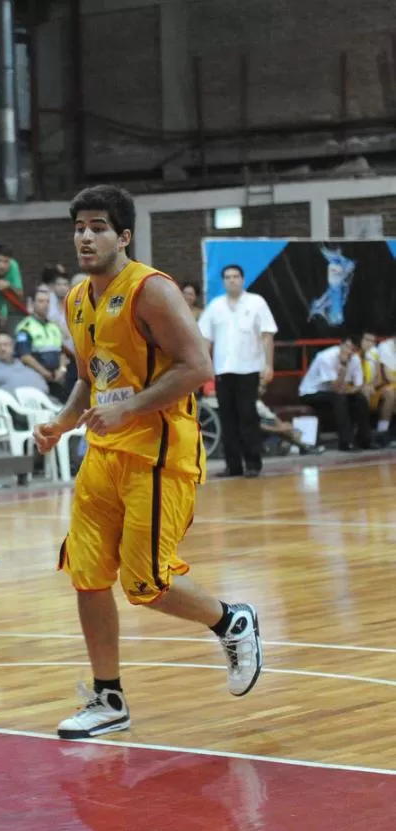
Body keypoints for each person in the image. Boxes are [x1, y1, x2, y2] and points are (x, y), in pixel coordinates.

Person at [34, 185, 262, 740]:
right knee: (87, 576)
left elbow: (195, 366)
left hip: (158, 454)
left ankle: (231, 620)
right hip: (103, 455)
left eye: (98, 227)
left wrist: (132, 408)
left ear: (124, 235)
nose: (86, 236)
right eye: (80, 227)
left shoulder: (151, 290)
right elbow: (90, 381)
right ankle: (107, 697)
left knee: (146, 584)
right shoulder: (76, 300)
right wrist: (63, 422)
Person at [198, 264, 277, 478]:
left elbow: (267, 335)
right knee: (228, 419)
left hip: (249, 370)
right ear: (223, 281)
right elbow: (205, 339)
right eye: (227, 277)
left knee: (248, 416)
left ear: (242, 279)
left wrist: (268, 364)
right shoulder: (215, 306)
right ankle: (233, 466)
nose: (231, 280)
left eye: (235, 276)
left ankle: (253, 463)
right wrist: (204, 367)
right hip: (223, 370)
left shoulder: (256, 302)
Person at [297, 337, 372, 451]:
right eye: (347, 347)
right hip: (311, 392)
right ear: (340, 345)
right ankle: (345, 442)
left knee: (360, 398)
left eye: (353, 349)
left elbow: (358, 385)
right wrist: (343, 365)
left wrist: (349, 391)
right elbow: (336, 387)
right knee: (339, 398)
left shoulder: (355, 359)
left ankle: (365, 440)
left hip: (337, 392)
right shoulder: (326, 357)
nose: (349, 351)